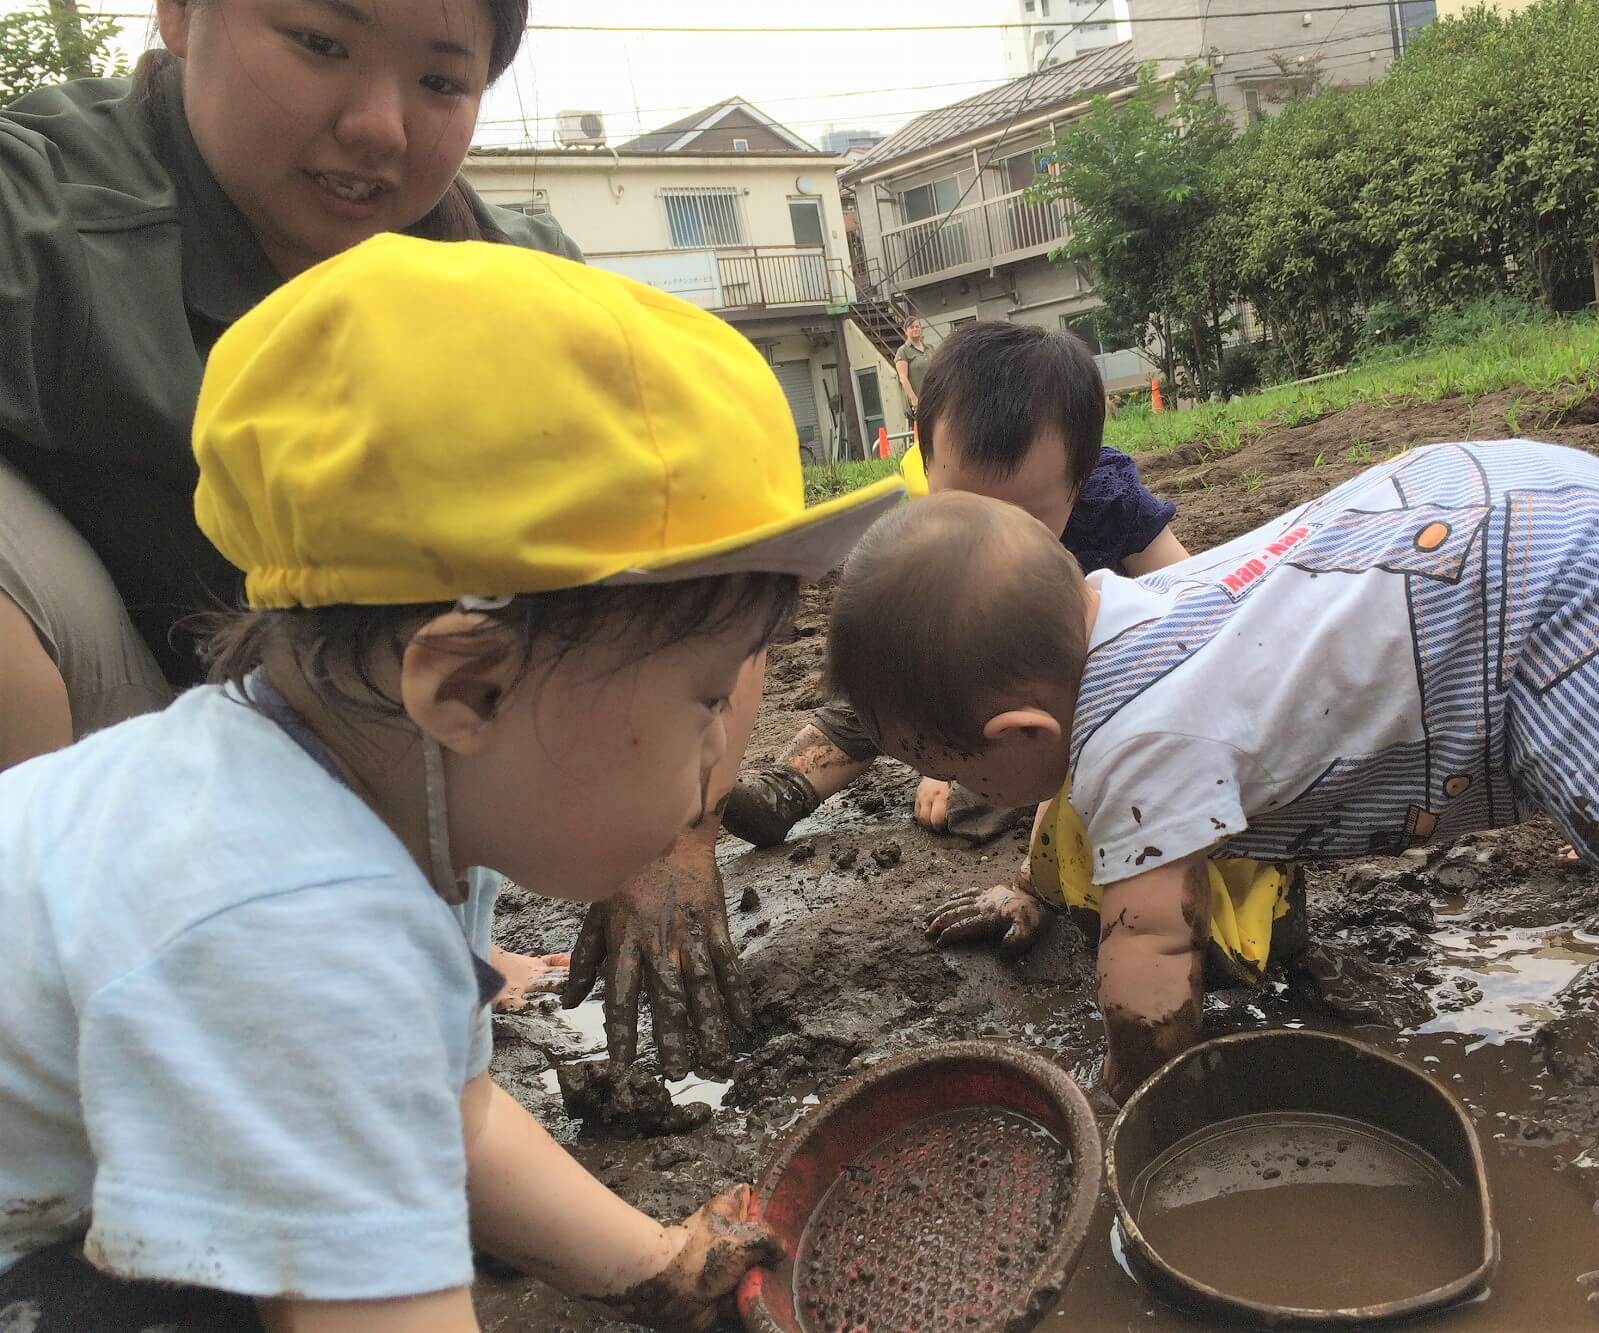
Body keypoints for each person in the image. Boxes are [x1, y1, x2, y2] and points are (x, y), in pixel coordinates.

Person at [0, 236, 904, 1331]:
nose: (724, 754)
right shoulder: (294, 932)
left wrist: (663, 1265)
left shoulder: (375, 785)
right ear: (468, 686)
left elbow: (449, 1113)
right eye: (708, 700)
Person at [825, 440, 1599, 1104]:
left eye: (940, 763)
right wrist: (1030, 889)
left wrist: (1125, 1090)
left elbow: (1151, 956)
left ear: (1021, 729)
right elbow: (1080, 801)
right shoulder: (1116, 616)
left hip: (1528, 588)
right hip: (1503, 502)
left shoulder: (1138, 737)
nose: (949, 789)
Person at [0, 0, 583, 1006]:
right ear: (181, 15)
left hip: (342, 735)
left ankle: (400, 954)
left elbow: (695, 551)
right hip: (100, 751)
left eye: (440, 82)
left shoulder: (518, 285)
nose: (378, 128)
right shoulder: (43, 214)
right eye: (321, 45)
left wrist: (673, 842)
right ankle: (73, 1002)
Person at [721, 320, 1189, 851]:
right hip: (957, 687)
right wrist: (937, 749)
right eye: (964, 508)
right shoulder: (932, 534)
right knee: (880, 685)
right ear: (926, 459)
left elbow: (1184, 594)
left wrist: (951, 761)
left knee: (1004, 779)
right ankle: (790, 785)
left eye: (1025, 515)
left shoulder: (1111, 504)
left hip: (1062, 702)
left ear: (1079, 478)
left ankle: (1010, 802)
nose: (995, 534)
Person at [893, 313, 932, 426]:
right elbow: (903, 378)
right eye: (911, 327)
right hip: (920, 401)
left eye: (917, 326)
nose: (915, 329)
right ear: (905, 331)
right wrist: (914, 399)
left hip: (934, 397)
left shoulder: (930, 348)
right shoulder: (903, 351)